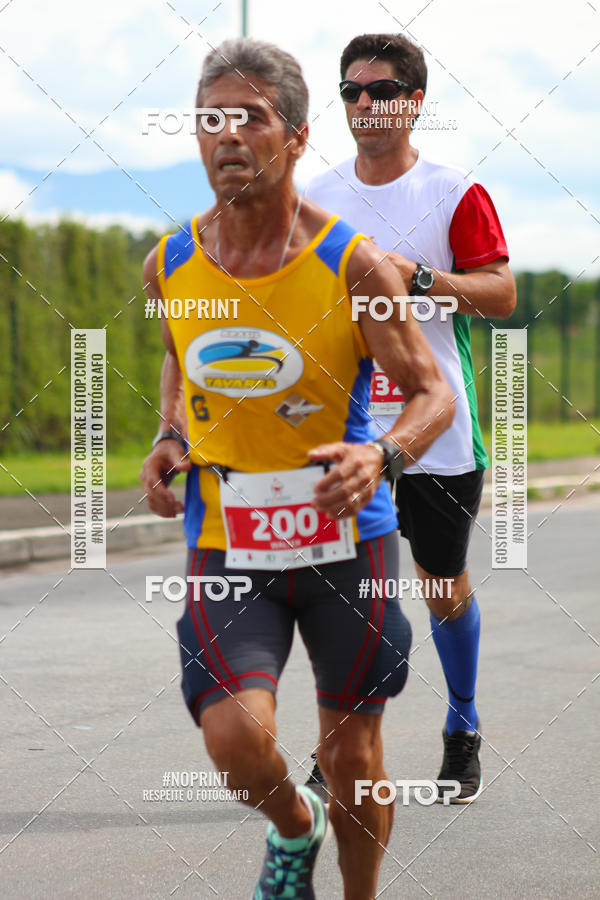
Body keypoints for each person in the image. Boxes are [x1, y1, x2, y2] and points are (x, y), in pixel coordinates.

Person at [140, 38, 453, 900]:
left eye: (251, 117)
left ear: (297, 136)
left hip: (345, 545)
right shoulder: (170, 264)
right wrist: (170, 437)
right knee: (236, 743)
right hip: (229, 544)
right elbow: (181, 360)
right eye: (210, 119)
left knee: (352, 753)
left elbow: (434, 394)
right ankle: (293, 825)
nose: (227, 135)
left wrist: (383, 453)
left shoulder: (356, 265)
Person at [304, 33, 516, 803]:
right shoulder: (317, 194)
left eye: (380, 89)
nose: (363, 103)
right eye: (350, 91)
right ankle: (342, 747)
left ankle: (462, 724)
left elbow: (501, 293)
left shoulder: (453, 192)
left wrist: (420, 276)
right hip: (349, 431)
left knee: (441, 585)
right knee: (347, 591)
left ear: (413, 99)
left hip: (438, 432)